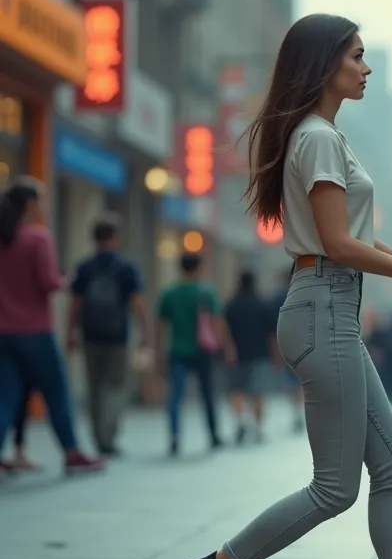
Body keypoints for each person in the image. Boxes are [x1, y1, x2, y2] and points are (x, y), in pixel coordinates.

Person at [163, 13, 392, 559]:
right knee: (334, 487)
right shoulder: (319, 139)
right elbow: (336, 244)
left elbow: (351, 235)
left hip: (330, 308)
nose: (367, 67)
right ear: (326, 62)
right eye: (357, 56)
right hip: (322, 306)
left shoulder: (324, 136)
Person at [0, 177, 103, 474]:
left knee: (5, 396)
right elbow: (48, 281)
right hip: (35, 332)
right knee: (57, 392)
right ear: (30, 204)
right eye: (41, 200)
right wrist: (66, 278)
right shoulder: (37, 238)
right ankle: (71, 452)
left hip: (3, 333)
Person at [65, 215, 148, 457]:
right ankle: (108, 436)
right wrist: (144, 331)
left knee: (94, 385)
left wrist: (70, 331)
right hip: (117, 334)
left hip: (89, 333)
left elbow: (75, 304)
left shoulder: (84, 267)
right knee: (115, 384)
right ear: (114, 237)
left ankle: (97, 435)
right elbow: (137, 302)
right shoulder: (126, 267)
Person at [157, 252, 232, 456]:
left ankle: (174, 437)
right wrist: (225, 345)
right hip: (203, 351)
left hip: (177, 350)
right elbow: (217, 321)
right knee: (208, 394)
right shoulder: (206, 292)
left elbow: (161, 326)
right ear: (198, 268)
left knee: (175, 395)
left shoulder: (169, 293)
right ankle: (213, 434)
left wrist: (159, 352)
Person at [223, 270, 276, 443]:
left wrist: (227, 349)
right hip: (259, 354)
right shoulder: (261, 305)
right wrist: (275, 355)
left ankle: (241, 421)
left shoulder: (231, 305)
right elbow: (271, 333)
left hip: (236, 355)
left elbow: (224, 330)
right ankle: (258, 427)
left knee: (237, 390)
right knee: (258, 393)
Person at [270, 269, 305, 432]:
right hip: (304, 342)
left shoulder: (277, 298)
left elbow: (272, 325)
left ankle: (296, 410)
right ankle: (299, 410)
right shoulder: (304, 293)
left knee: (292, 381)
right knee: (301, 380)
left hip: (284, 342)